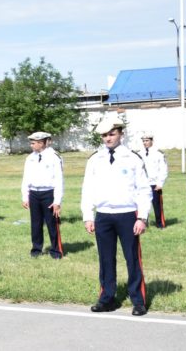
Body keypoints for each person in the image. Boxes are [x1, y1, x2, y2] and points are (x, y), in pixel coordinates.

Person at [81, 116, 151, 316]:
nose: (108, 138)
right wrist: (88, 215)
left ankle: (138, 301)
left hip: (128, 214)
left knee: (132, 259)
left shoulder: (133, 158)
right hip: (103, 215)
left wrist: (142, 217)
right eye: (104, 135)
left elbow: (144, 189)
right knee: (105, 259)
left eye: (112, 134)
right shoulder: (95, 159)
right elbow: (88, 189)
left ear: (121, 133)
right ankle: (107, 298)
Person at [21, 132, 65, 259]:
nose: (31, 145)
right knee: (36, 224)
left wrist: (57, 201)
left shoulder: (54, 157)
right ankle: (36, 249)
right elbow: (26, 178)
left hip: (48, 193)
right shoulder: (30, 158)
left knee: (52, 223)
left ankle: (56, 251)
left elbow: (59, 180)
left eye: (33, 143)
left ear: (41, 143)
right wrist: (25, 196)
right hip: (34, 193)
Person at [138, 134, 168, 229]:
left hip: (154, 184)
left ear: (152, 141)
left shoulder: (158, 153)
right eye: (143, 141)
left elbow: (163, 169)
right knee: (142, 204)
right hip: (143, 183)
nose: (145, 143)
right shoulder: (139, 154)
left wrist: (160, 183)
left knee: (157, 205)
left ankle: (160, 224)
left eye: (147, 140)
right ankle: (143, 222)